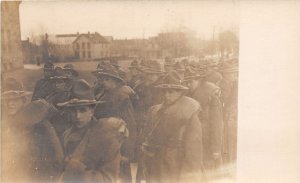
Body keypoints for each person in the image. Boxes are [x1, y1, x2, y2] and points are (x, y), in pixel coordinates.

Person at [57, 79, 128, 183]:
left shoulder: (106, 135)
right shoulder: (65, 135)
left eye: (82, 110)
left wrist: (75, 172)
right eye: (73, 110)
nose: (77, 116)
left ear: (92, 111)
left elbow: (109, 178)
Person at [142, 71, 204, 183]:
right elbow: (149, 139)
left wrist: (189, 174)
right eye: (164, 91)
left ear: (180, 93)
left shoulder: (189, 113)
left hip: (176, 164)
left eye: (171, 92)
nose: (166, 95)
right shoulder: (155, 111)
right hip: (157, 162)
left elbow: (194, 150)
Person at [1, 77, 64, 182]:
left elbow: (56, 158)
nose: (10, 104)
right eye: (7, 100)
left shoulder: (39, 123)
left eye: (15, 99)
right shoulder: (7, 123)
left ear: (24, 100)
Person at [93, 65, 137, 183]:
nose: (104, 82)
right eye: (103, 79)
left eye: (108, 79)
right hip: (104, 143)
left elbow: (131, 125)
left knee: (123, 176)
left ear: (116, 81)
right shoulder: (103, 94)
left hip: (119, 144)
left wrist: (128, 152)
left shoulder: (122, 97)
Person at [183, 67, 224, 173]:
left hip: (207, 142)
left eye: (190, 82)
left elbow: (216, 125)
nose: (188, 85)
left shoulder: (211, 96)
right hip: (195, 142)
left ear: (199, 80)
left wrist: (216, 148)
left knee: (209, 171)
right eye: (186, 82)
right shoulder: (191, 94)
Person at [219, 59, 239, 165]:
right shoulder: (222, 86)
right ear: (225, 74)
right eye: (230, 73)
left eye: (233, 73)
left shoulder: (234, 84)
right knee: (228, 143)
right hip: (226, 118)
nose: (233, 75)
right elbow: (223, 104)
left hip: (232, 117)